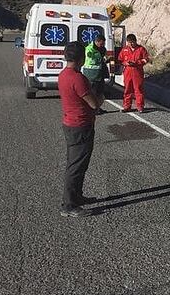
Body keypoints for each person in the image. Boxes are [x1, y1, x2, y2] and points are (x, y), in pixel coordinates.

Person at [58, 42, 104, 217]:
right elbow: (93, 103)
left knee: (77, 163)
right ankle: (69, 205)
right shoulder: (78, 78)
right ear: (81, 58)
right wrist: (101, 98)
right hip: (80, 126)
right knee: (76, 166)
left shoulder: (63, 75)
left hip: (71, 123)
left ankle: (77, 197)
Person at [119, 34, 150, 112]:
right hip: (128, 72)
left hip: (137, 71)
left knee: (138, 89)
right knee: (127, 89)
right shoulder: (125, 49)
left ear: (135, 41)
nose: (131, 44)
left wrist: (137, 62)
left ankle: (140, 107)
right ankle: (127, 106)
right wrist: (125, 63)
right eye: (129, 42)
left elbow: (146, 59)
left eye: (132, 42)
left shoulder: (141, 49)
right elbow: (120, 59)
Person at [82, 35, 108, 114]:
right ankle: (91, 110)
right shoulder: (89, 49)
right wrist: (102, 59)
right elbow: (91, 59)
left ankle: (97, 108)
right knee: (92, 94)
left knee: (100, 93)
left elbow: (102, 59)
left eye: (103, 44)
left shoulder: (102, 49)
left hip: (99, 75)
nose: (102, 45)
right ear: (96, 41)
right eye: (101, 44)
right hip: (91, 75)